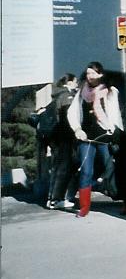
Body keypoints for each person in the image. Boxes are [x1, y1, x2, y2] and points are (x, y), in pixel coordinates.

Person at [67, 62, 124, 218]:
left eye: (93, 73)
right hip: (86, 137)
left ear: (100, 74)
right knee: (85, 170)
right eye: (87, 73)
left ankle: (124, 201)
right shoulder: (81, 91)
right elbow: (72, 112)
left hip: (105, 134)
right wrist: (77, 129)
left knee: (111, 168)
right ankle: (84, 207)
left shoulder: (110, 91)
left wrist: (116, 132)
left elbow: (115, 114)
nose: (89, 76)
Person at [46, 73, 78, 210]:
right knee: (64, 167)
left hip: (56, 137)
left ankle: (52, 199)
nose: (77, 84)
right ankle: (56, 199)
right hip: (64, 136)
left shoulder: (57, 95)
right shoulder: (67, 96)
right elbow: (67, 118)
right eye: (75, 82)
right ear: (69, 82)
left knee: (58, 167)